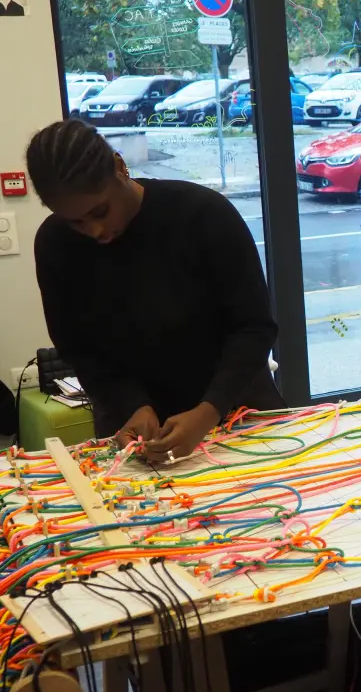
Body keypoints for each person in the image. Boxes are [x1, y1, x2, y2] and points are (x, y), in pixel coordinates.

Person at [28, 119, 284, 461]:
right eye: (75, 221)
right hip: (134, 427)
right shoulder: (56, 244)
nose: (95, 230)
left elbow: (254, 327)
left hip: (237, 410)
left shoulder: (203, 215)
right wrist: (130, 405)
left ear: (119, 167)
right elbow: (77, 347)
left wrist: (209, 410)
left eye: (100, 211)